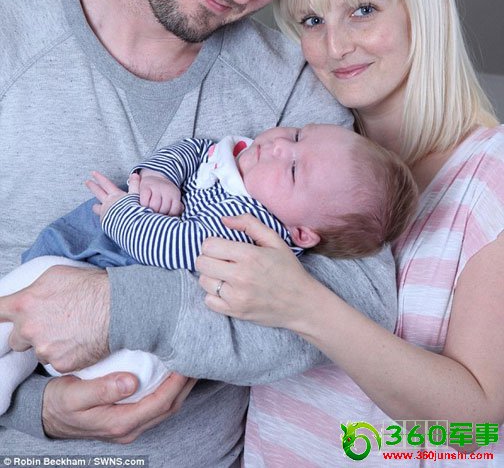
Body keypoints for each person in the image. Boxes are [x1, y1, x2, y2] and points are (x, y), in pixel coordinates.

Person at [0, 0, 397, 466]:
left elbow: (351, 311)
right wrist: (37, 412)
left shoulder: (292, 91)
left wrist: (128, 308)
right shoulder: (11, 41)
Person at [195, 0, 504, 466]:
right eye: (312, 21)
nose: (335, 47)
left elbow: (476, 421)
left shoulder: (491, 175)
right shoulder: (282, 157)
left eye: (363, 10)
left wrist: (304, 305)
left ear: (423, 8)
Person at [0, 124, 417, 415]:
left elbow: (173, 247)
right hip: (81, 302)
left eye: (292, 169)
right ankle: (13, 371)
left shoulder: (253, 229)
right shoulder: (236, 155)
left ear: (302, 233)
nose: (277, 146)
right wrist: (159, 176)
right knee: (33, 302)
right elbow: (190, 149)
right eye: (296, 135)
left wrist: (120, 213)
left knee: (38, 277)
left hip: (127, 359)